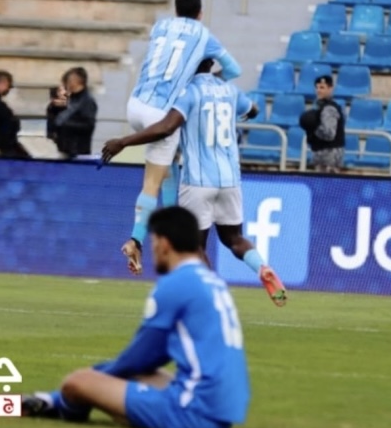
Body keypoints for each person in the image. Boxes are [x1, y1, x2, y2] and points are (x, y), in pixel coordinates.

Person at [21, 206, 250, 428]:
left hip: (192, 411)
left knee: (77, 382)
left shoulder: (176, 284)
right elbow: (150, 361)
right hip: (222, 409)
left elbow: (137, 359)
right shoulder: (213, 282)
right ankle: (52, 401)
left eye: (153, 243)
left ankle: (58, 406)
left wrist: (92, 378)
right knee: (139, 375)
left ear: (164, 244)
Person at [102, 59, 287, 306]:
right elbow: (252, 109)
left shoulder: (187, 93)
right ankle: (262, 267)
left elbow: (165, 128)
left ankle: (212, 296)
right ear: (211, 63)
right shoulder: (229, 89)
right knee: (234, 238)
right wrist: (245, 111)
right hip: (231, 179)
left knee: (195, 245)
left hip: (199, 180)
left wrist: (123, 142)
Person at [121, 0, 241, 275]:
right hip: (160, 113)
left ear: (175, 11)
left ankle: (170, 229)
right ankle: (136, 239)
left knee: (170, 167)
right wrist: (210, 84)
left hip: (135, 104)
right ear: (200, 14)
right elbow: (233, 69)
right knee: (152, 182)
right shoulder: (204, 35)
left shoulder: (160, 26)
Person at [46, 66, 98, 159]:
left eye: (68, 81)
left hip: (77, 150)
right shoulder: (71, 99)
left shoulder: (87, 101)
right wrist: (54, 108)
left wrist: (65, 124)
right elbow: (54, 117)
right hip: (63, 148)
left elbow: (88, 124)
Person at [298, 74, 345, 173]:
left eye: (322, 87)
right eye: (317, 87)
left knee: (328, 181)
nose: (318, 90)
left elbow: (329, 134)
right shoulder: (321, 107)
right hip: (321, 153)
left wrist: (314, 127)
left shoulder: (329, 108)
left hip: (329, 155)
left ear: (330, 88)